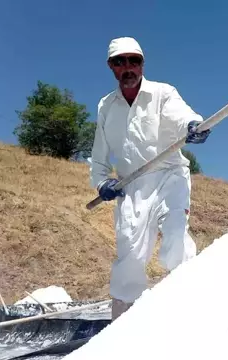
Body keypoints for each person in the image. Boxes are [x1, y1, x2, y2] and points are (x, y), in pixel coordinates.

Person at [89, 36, 211, 321]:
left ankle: (186, 315)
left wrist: (193, 126)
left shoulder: (162, 93)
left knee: (175, 239)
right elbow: (98, 158)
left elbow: (182, 116)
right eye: (120, 61)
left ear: (143, 64)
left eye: (135, 60)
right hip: (131, 185)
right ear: (111, 66)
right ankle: (122, 326)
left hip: (170, 176)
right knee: (129, 253)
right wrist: (101, 182)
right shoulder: (106, 106)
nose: (128, 67)